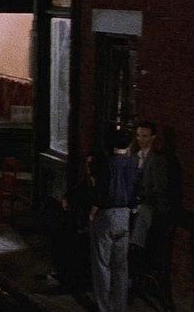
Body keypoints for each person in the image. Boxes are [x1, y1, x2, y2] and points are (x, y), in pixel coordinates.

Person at [89, 127, 141, 312]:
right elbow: (135, 190)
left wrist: (92, 213)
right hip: (124, 214)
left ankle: (104, 307)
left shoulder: (106, 165)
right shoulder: (134, 163)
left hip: (106, 214)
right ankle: (119, 307)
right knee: (121, 265)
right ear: (130, 144)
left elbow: (100, 192)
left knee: (102, 264)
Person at [128, 120, 170, 293]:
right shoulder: (134, 156)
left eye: (145, 136)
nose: (141, 140)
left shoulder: (158, 160)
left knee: (143, 212)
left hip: (152, 206)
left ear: (153, 138)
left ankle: (135, 246)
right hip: (135, 204)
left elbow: (160, 189)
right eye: (138, 136)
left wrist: (140, 196)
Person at [50, 153, 95, 293]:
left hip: (92, 224)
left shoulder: (99, 185)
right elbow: (69, 195)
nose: (88, 167)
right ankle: (64, 273)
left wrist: (88, 222)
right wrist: (66, 202)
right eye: (87, 164)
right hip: (79, 221)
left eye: (90, 165)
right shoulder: (86, 183)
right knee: (60, 231)